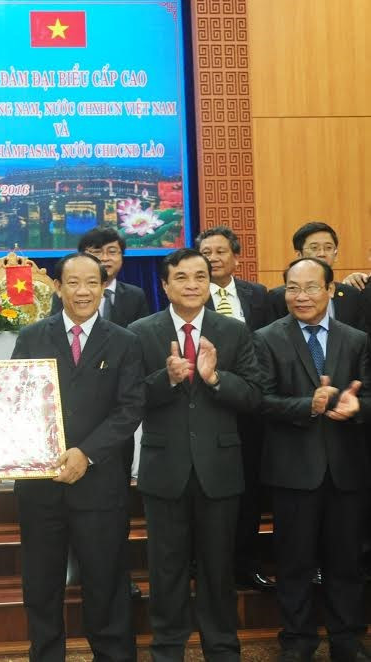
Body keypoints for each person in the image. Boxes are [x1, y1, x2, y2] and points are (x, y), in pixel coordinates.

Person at [129, 248, 262, 661]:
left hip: (218, 469)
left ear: (210, 282)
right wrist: (164, 379)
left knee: (218, 568)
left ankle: (222, 648)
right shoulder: (140, 332)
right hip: (164, 469)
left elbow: (255, 396)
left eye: (200, 277)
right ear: (165, 285)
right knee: (165, 569)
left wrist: (215, 377)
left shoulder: (234, 331)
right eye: (182, 277)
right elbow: (129, 399)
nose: (192, 285)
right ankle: (168, 649)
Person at [12, 253, 144, 661]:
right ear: (57, 287)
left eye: (92, 283)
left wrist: (86, 453)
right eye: (73, 282)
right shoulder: (32, 336)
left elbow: (129, 409)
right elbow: (13, 401)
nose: (83, 291)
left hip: (100, 486)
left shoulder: (124, 341)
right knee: (41, 584)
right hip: (40, 485)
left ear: (104, 287)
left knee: (106, 581)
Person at [255, 257, 371, 662]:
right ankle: (298, 640)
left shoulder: (355, 339)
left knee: (346, 562)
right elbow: (262, 401)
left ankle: (346, 638)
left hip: (346, 470)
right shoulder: (267, 338)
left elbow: (369, 395)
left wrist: (357, 407)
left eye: (309, 288)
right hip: (292, 471)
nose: (300, 297)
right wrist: (309, 404)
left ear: (329, 289)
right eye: (291, 288)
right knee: (294, 562)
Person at [195, 226, 274, 592]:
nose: (213, 258)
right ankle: (206, 565)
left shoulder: (258, 295)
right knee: (209, 490)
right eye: (206, 252)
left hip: (253, 409)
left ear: (236, 257)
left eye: (220, 251)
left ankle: (246, 562)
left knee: (250, 490)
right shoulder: (190, 296)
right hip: (209, 406)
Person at [267, 222, 366, 332]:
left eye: (328, 248)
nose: (322, 253)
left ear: (335, 255)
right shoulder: (278, 297)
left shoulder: (351, 294)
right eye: (314, 248)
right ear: (299, 255)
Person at [50, 226, 150, 326]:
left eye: (112, 252)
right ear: (82, 256)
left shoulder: (135, 296)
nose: (105, 258)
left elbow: (141, 334)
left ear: (122, 256)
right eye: (97, 252)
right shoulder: (66, 293)